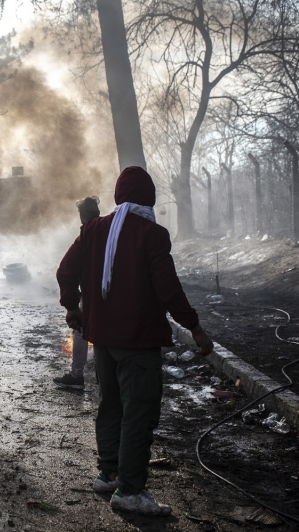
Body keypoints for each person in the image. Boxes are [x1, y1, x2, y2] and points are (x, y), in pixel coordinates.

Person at [56, 167, 213, 515]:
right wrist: (196, 329)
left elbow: (65, 271)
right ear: (149, 198)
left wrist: (73, 308)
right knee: (138, 413)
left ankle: (109, 473)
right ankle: (129, 490)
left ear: (117, 196)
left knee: (111, 407)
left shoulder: (93, 230)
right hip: (138, 342)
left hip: (104, 341)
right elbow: (168, 289)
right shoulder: (151, 234)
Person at [53, 196, 100, 390]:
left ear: (82, 216)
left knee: (80, 331)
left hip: (93, 295)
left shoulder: (87, 236)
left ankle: (77, 376)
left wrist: (72, 307)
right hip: (117, 295)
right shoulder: (112, 231)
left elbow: (64, 271)